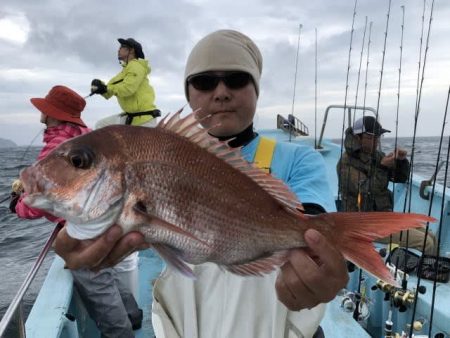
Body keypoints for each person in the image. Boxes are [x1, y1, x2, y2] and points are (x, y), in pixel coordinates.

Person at [52, 30, 349, 338]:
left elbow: (313, 225)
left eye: (236, 79)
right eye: (205, 82)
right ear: (188, 93)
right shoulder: (159, 155)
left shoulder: (300, 160)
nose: (221, 92)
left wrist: (318, 265)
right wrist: (84, 234)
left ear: (256, 88)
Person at [11, 85, 142, 338]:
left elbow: (42, 197)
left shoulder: (59, 148)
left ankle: (122, 333)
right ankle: (134, 317)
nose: (41, 115)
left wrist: (17, 205)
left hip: (81, 231)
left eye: (44, 110)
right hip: (101, 222)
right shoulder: (84, 138)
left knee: (98, 284)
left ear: (51, 114)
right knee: (107, 271)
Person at [337, 115, 436, 254]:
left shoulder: (375, 156)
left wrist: (401, 162)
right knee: (426, 242)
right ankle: (426, 272)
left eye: (378, 137)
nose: (376, 141)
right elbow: (365, 190)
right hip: (362, 225)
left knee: (431, 236)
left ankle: (431, 272)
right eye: (371, 137)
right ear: (357, 138)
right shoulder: (345, 164)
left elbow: (399, 178)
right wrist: (382, 168)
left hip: (383, 218)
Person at [91, 37, 161, 129]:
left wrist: (106, 88)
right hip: (132, 118)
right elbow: (110, 90)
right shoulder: (125, 71)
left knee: (101, 127)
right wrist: (100, 87)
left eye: (122, 47)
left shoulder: (136, 66)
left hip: (144, 120)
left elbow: (128, 89)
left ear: (131, 50)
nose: (118, 49)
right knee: (101, 125)